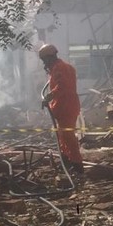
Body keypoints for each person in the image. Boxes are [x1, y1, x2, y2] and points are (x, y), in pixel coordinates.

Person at [38, 44, 83, 175]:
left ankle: (77, 165)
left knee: (68, 137)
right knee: (63, 136)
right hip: (70, 105)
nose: (44, 63)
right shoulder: (66, 67)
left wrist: (49, 96)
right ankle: (68, 161)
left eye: (44, 60)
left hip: (65, 106)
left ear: (48, 57)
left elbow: (61, 86)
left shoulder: (58, 68)